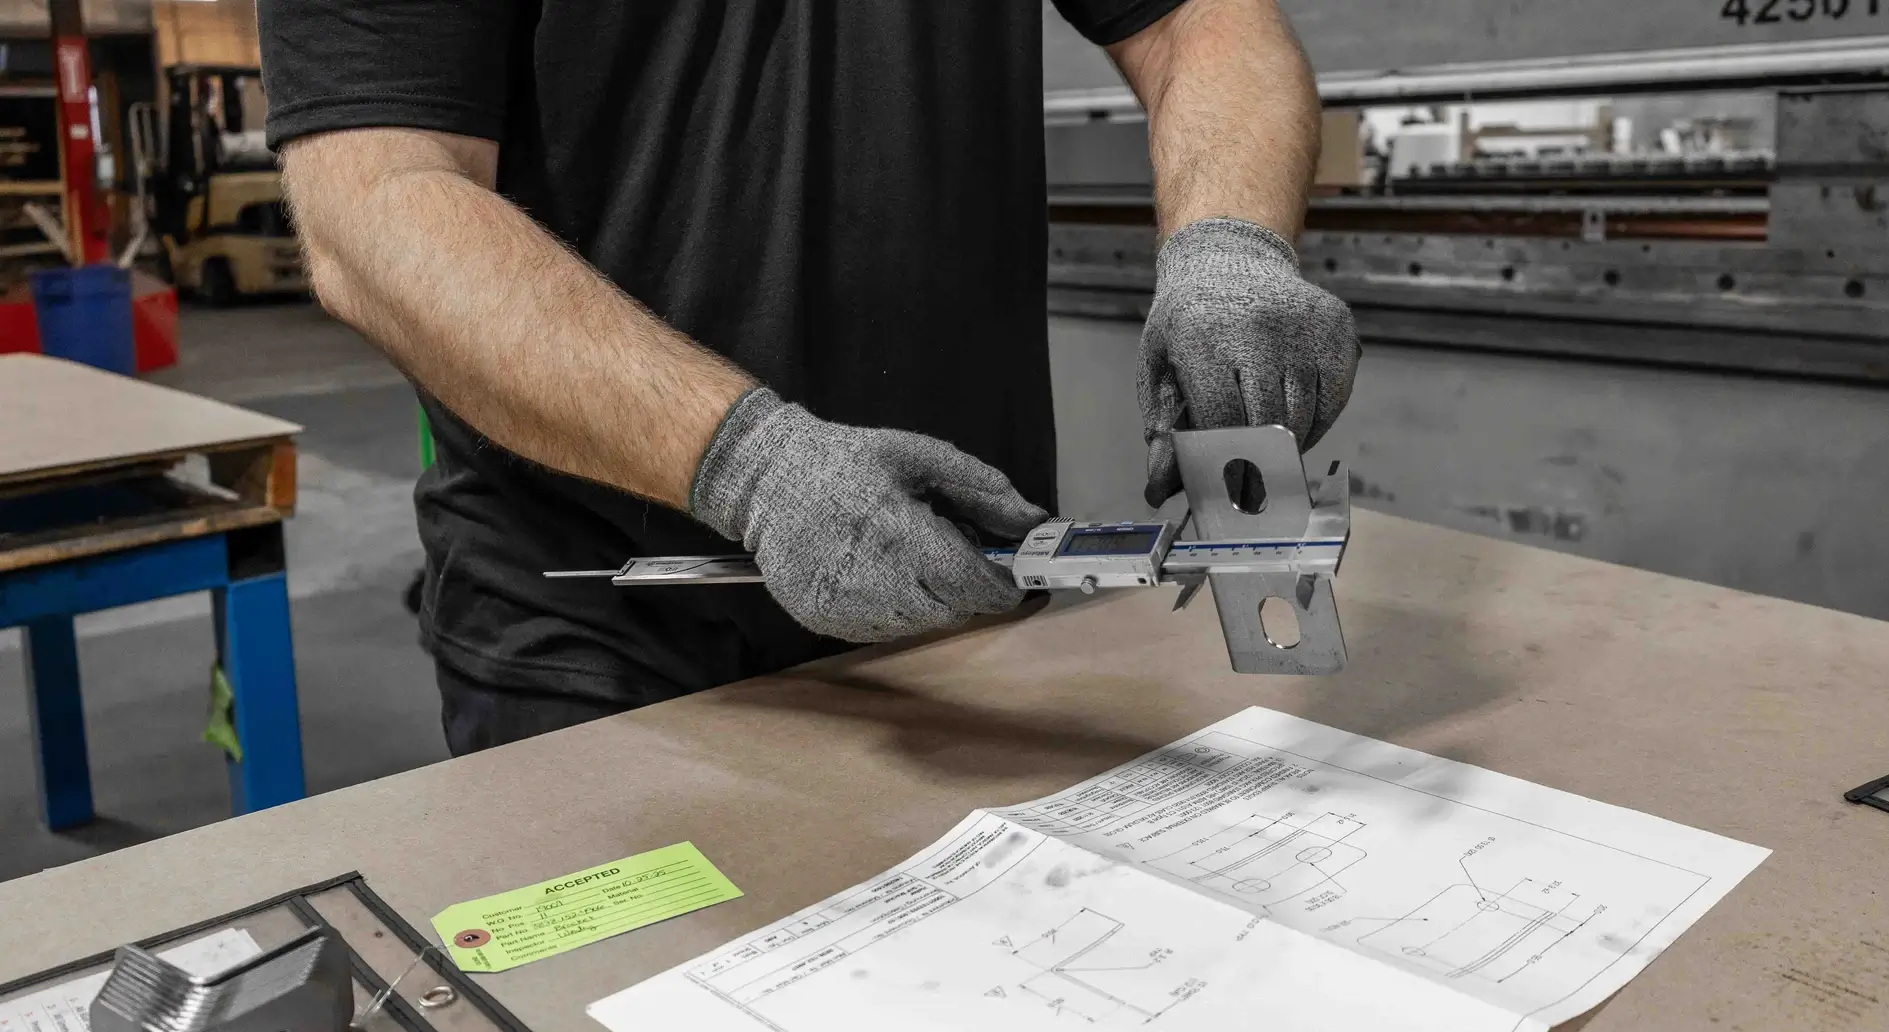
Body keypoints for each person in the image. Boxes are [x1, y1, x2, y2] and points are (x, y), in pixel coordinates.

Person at [258, 0, 1359, 756]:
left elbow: (1202, 19)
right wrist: (745, 462)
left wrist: (1229, 243)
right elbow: (377, 202)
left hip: (958, 604)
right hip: (609, 637)